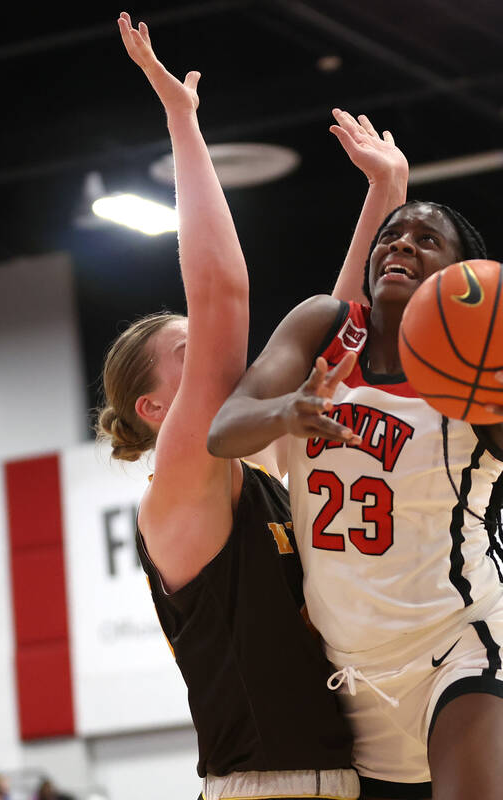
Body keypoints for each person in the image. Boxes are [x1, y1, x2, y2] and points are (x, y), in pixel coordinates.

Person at [96, 13, 409, 800]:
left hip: (343, 779)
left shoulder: (258, 466)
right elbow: (224, 293)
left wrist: (386, 197)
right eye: (187, 350)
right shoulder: (179, 494)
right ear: (153, 405)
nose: (207, 351)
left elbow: (336, 329)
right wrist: (181, 121)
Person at [208, 200, 503, 799]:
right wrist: (287, 410)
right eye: (391, 235)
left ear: (461, 277)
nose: (402, 245)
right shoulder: (323, 328)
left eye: (426, 240)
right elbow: (223, 429)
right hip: (351, 681)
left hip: (466, 643)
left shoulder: (485, 370)